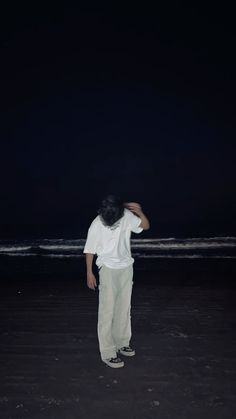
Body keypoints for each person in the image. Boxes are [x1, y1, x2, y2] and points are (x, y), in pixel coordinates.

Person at [83, 195, 150, 368]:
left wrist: (140, 212)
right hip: (107, 268)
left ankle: (122, 343)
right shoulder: (97, 223)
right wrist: (89, 273)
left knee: (124, 308)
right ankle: (107, 352)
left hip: (126, 267)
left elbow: (145, 226)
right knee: (107, 311)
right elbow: (89, 249)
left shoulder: (126, 215)